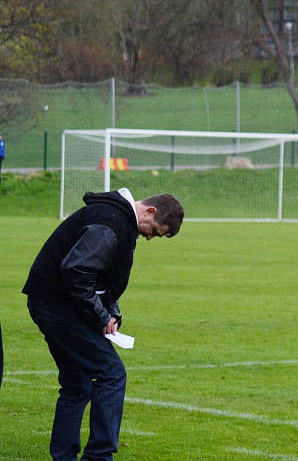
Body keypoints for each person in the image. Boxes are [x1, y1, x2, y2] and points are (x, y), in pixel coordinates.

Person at [23, 189, 184, 461]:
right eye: (154, 231)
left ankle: (63, 456)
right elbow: (77, 270)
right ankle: (99, 457)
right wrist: (100, 317)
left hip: (49, 301)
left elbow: (103, 280)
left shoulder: (116, 220)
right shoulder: (112, 223)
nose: (149, 237)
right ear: (150, 211)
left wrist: (111, 312)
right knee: (111, 373)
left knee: (78, 384)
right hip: (55, 305)